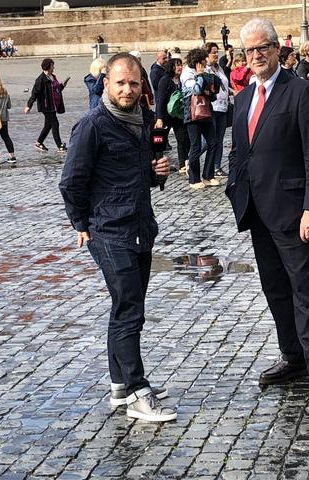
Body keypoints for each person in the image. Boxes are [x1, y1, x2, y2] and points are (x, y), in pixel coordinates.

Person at [59, 52, 176, 423]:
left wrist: (159, 171)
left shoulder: (143, 121)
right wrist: (81, 224)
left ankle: (120, 386)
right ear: (106, 83)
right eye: (121, 82)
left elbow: (145, 174)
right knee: (130, 310)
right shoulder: (92, 125)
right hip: (109, 231)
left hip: (140, 226)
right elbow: (71, 181)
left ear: (142, 85)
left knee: (125, 308)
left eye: (134, 83)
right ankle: (139, 391)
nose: (127, 89)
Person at [226, 18, 309, 401]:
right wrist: (234, 190)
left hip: (292, 210)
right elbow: (241, 151)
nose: (256, 55)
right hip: (257, 211)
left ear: (277, 49)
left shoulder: (301, 92)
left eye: (263, 48)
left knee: (305, 288)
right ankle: (292, 357)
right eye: (249, 50)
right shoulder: (242, 98)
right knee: (274, 289)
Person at [180, 47, 221, 189]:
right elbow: (196, 91)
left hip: (206, 111)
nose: (205, 63)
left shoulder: (205, 71)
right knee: (196, 146)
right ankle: (194, 178)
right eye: (203, 61)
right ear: (197, 62)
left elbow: (212, 92)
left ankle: (208, 175)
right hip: (192, 114)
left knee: (213, 142)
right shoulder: (187, 74)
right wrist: (199, 76)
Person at [24, 57, 69, 153]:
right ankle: (59, 145)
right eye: (53, 65)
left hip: (53, 105)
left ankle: (39, 142)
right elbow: (34, 93)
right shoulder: (40, 80)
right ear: (48, 66)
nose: (54, 67)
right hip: (46, 106)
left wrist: (62, 86)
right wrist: (29, 105)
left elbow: (56, 90)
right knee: (55, 123)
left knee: (48, 125)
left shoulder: (53, 76)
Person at [156, 58, 190, 173]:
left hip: (178, 115)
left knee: (182, 139)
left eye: (181, 65)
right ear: (172, 67)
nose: (180, 67)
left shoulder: (181, 80)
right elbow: (160, 100)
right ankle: (158, 163)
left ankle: (182, 164)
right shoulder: (165, 81)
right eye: (177, 65)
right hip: (166, 115)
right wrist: (159, 118)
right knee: (161, 140)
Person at [205, 42, 231, 177]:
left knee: (219, 139)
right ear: (207, 54)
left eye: (217, 52)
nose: (216, 54)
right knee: (209, 140)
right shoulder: (205, 69)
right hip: (212, 108)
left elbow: (224, 86)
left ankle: (217, 166)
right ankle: (191, 160)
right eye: (213, 52)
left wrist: (234, 92)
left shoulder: (219, 68)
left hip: (223, 107)